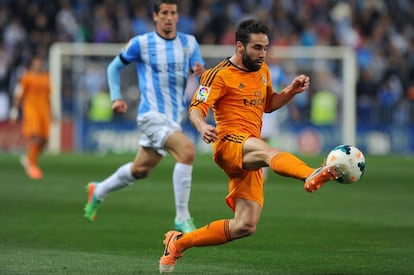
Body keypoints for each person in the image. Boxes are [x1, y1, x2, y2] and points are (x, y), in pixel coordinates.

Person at [159, 18, 343, 273]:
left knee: (244, 226)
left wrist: (290, 91)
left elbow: (268, 104)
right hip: (228, 143)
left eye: (265, 48)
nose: (262, 53)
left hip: (249, 149)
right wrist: (202, 127)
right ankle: (310, 174)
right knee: (270, 153)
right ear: (240, 46)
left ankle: (178, 242)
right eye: (257, 47)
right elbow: (195, 109)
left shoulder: (263, 70)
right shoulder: (218, 74)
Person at [83, 0, 206, 233]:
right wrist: (116, 97)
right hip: (151, 115)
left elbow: (199, 75)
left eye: (173, 13)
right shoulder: (142, 43)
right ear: (155, 16)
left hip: (173, 119)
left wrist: (200, 73)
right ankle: (182, 217)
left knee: (141, 170)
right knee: (187, 152)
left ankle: (97, 191)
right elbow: (113, 68)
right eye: (164, 13)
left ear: (178, 16)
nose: (169, 17)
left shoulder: (190, 43)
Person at [9, 55, 51, 180]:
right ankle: (31, 165)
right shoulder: (26, 77)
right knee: (36, 138)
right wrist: (15, 109)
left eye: (40, 63)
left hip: (44, 112)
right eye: (36, 63)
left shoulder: (46, 78)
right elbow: (18, 93)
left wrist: (53, 111)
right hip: (31, 111)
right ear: (32, 65)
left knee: (44, 141)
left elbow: (48, 96)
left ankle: (28, 158)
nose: (38, 66)